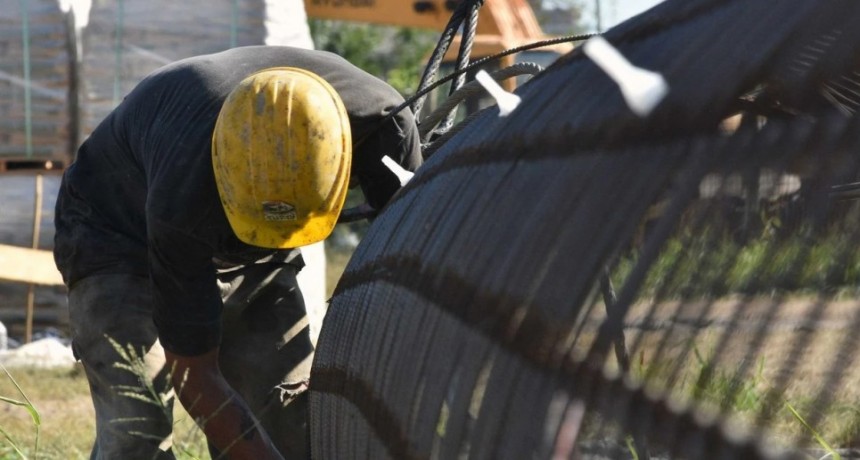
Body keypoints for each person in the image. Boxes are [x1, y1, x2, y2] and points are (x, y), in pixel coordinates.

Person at [53, 45, 422, 459]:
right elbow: (194, 373)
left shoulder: (383, 125)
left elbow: (416, 273)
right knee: (138, 431)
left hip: (233, 232)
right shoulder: (184, 199)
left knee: (292, 424)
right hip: (117, 234)